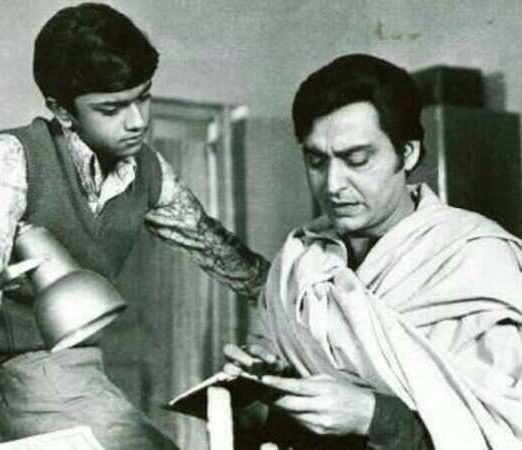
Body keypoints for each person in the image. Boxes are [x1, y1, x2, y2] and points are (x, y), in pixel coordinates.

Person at [0, 4, 269, 450]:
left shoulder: (148, 170)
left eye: (143, 97)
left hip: (83, 367)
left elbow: (229, 259)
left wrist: (304, 295)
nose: (138, 121)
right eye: (112, 108)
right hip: (13, 375)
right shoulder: (11, 158)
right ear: (61, 110)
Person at [224, 54, 522, 450]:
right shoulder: (299, 260)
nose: (333, 185)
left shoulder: (476, 259)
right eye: (316, 161)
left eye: (357, 160)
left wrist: (373, 416)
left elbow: (504, 430)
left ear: (408, 153)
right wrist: (266, 387)